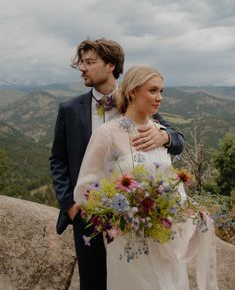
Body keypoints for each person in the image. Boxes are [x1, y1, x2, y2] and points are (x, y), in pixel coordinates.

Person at [50, 39, 185, 290]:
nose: (82, 68)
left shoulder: (139, 100)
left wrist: (166, 136)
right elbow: (57, 159)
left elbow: (177, 138)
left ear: (111, 65)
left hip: (131, 222)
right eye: (82, 62)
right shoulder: (68, 109)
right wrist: (69, 204)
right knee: (93, 282)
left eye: (90, 62)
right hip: (88, 216)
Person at [74, 65, 218, 290]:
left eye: (161, 91)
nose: (159, 98)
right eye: (153, 91)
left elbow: (170, 183)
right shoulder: (107, 134)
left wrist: (188, 209)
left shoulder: (160, 132)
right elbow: (85, 188)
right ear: (133, 92)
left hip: (163, 239)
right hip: (127, 242)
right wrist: (121, 212)